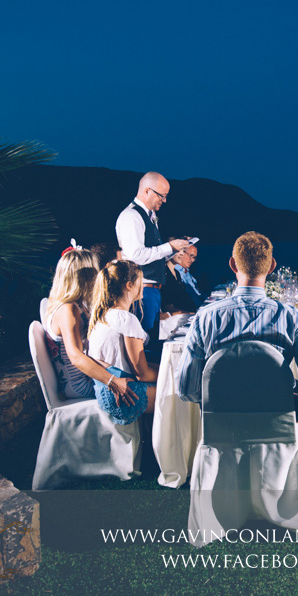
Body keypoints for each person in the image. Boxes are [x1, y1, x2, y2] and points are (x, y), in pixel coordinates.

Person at [176, 231, 298, 422]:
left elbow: (186, 388)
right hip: (278, 435)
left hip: (222, 436)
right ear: (271, 267)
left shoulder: (206, 318)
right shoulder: (291, 317)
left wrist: (220, 401)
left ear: (233, 264)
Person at [42, 247, 137, 406]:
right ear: (84, 276)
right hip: (79, 384)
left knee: (138, 377)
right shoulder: (68, 310)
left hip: (86, 376)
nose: (98, 275)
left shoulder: (75, 305)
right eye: (94, 271)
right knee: (142, 389)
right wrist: (113, 381)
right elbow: (76, 357)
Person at [115, 171, 191, 333]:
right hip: (141, 291)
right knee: (143, 339)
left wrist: (175, 248)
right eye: (161, 196)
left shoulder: (150, 216)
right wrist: (169, 246)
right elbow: (136, 255)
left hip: (153, 290)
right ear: (147, 190)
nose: (164, 200)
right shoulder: (131, 216)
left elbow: (152, 254)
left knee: (152, 336)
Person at [87, 260, 159, 424]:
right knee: (182, 394)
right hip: (124, 396)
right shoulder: (125, 319)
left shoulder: (102, 315)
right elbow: (142, 374)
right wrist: (171, 374)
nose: (144, 284)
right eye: (141, 280)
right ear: (129, 285)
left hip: (105, 391)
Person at [162, 243, 204, 312]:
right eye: (191, 256)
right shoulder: (166, 274)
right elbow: (169, 306)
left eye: (194, 257)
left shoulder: (177, 273)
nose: (192, 260)